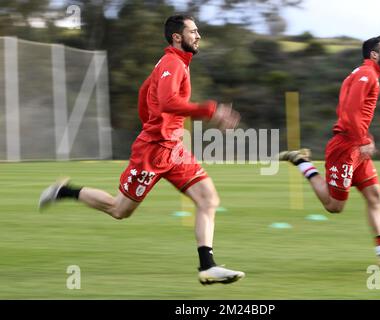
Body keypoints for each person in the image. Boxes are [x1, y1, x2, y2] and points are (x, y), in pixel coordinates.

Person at [39, 14, 245, 285]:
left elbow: (144, 91)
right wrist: (208, 111)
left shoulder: (174, 62)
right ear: (177, 37)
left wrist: (152, 121)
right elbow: (169, 101)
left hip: (174, 149)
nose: (198, 36)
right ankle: (64, 191)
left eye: (197, 31)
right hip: (154, 152)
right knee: (119, 210)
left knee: (208, 199)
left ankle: (207, 266)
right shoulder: (173, 62)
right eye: (193, 31)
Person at [279, 36, 380, 269]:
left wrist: (363, 140)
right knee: (334, 206)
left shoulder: (366, 74)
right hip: (346, 147)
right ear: (373, 55)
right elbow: (349, 112)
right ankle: (303, 162)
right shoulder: (367, 76)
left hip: (356, 146)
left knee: (375, 195)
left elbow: (353, 112)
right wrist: (362, 139)